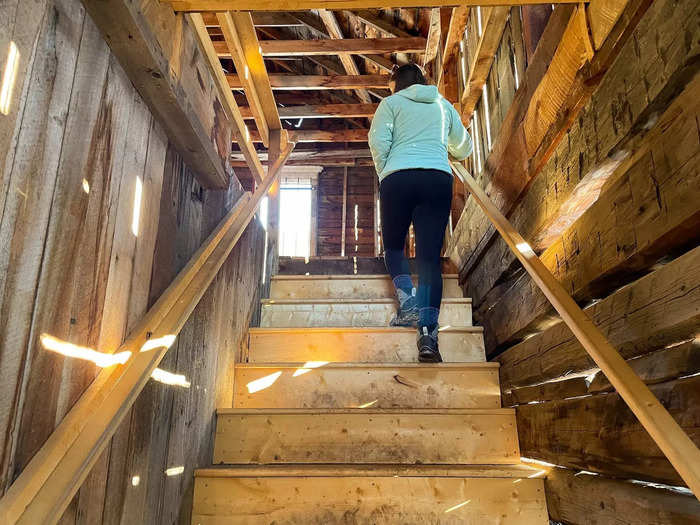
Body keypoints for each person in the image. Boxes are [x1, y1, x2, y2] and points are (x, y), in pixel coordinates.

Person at [369, 63, 472, 363]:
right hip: (436, 178)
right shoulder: (442, 106)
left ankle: (408, 301)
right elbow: (463, 147)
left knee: (393, 246)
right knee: (429, 259)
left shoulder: (390, 104)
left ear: (397, 85)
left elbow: (378, 142)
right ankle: (428, 335)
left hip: (397, 178)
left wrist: (387, 172)